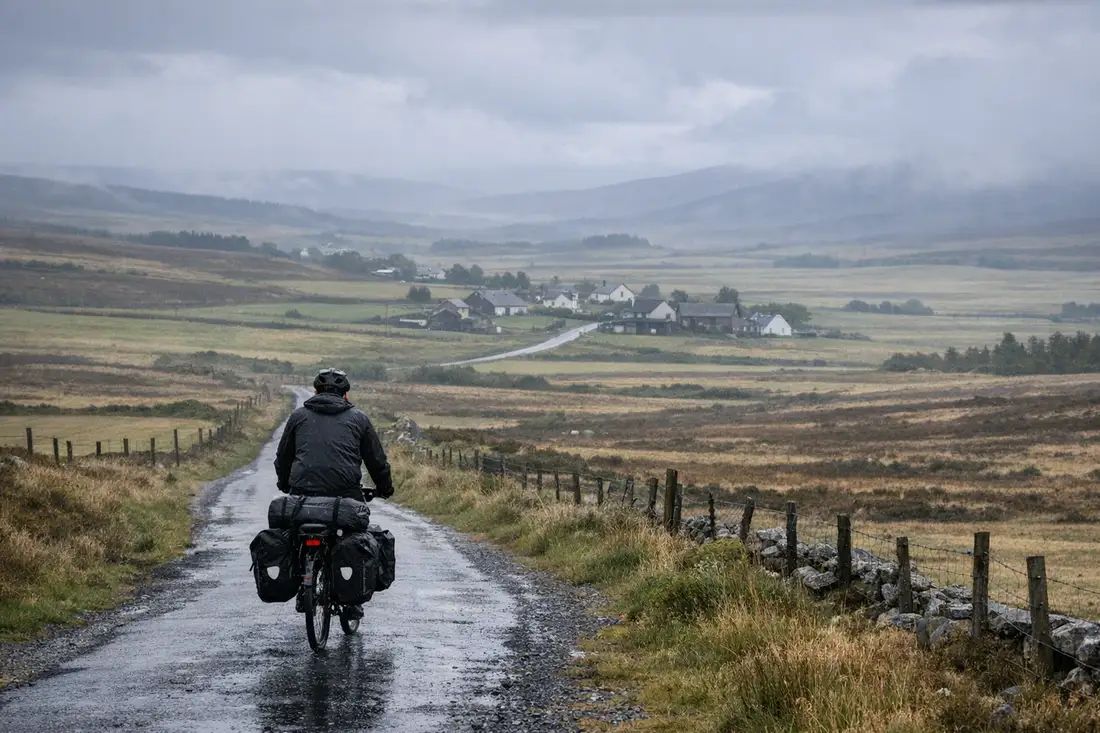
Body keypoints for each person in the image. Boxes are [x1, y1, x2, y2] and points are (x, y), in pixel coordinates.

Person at [274, 367, 394, 618]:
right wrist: (384, 488)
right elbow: (376, 460)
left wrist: (285, 484)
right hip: (345, 494)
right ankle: (351, 600)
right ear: (346, 395)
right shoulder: (359, 418)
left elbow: (283, 457)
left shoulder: (298, 416)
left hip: (302, 494)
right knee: (354, 536)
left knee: (296, 532)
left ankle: (301, 586)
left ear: (315, 391)